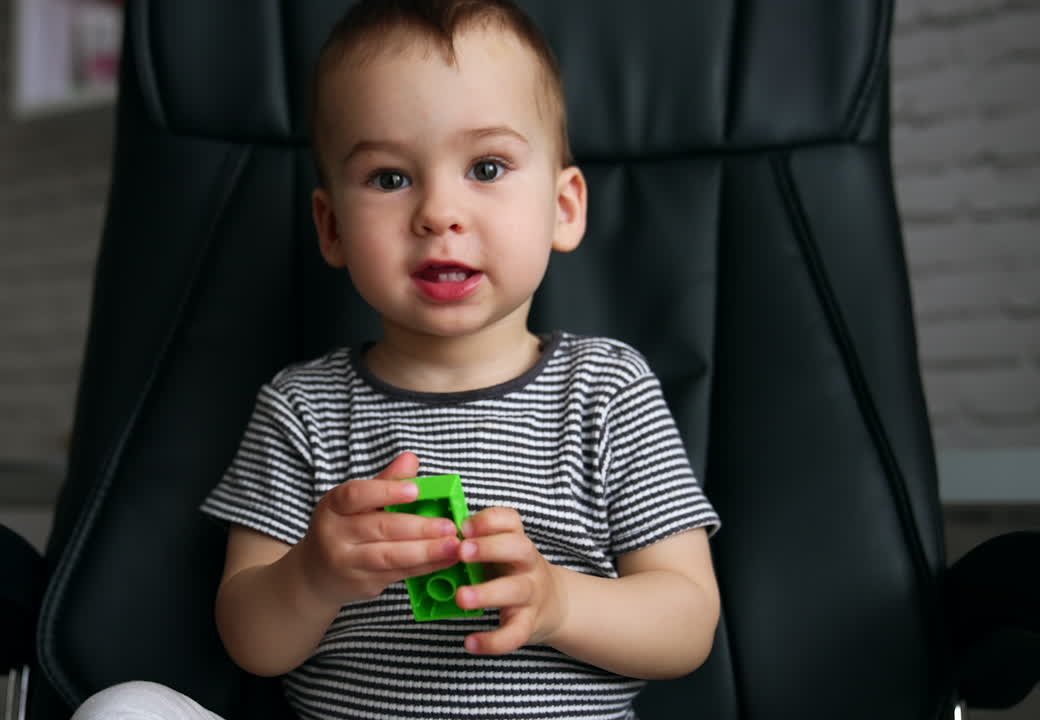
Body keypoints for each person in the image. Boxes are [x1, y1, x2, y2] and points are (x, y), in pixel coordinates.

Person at [72, 1, 720, 718]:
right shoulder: (303, 408)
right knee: (123, 708)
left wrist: (561, 600)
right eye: (389, 178)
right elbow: (251, 640)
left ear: (564, 207)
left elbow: (687, 621)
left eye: (487, 166)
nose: (438, 212)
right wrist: (312, 576)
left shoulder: (607, 390)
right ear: (331, 226)